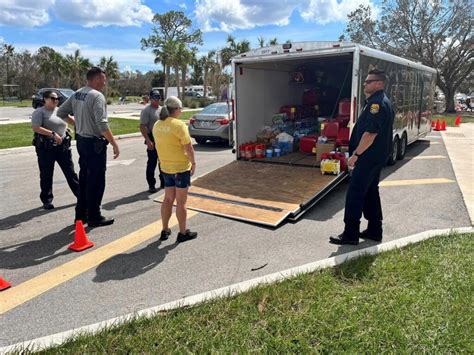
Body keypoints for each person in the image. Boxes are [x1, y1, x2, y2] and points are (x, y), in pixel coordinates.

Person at [330, 69, 394, 245]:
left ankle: (350, 234)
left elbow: (370, 135)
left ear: (379, 84)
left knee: (355, 194)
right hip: (375, 158)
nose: (365, 84)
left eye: (368, 81)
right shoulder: (378, 102)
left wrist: (355, 155)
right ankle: (375, 230)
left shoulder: (377, 105)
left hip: (367, 158)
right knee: (371, 192)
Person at [57, 67, 120, 227]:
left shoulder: (77, 93)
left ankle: (80, 215)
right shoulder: (97, 96)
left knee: (84, 178)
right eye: (104, 79)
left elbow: (61, 113)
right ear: (97, 79)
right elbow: (102, 124)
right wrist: (114, 143)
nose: (105, 83)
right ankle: (94, 216)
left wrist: (78, 123)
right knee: (97, 180)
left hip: (82, 141)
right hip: (94, 144)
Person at [152, 96, 198, 243]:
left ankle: (165, 229)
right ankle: (183, 232)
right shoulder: (178, 125)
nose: (181, 111)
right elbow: (189, 148)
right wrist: (194, 163)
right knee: (181, 202)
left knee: (167, 199)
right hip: (180, 169)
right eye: (181, 108)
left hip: (165, 168)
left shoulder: (157, 124)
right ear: (176, 109)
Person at [31, 90, 79, 210]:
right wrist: (53, 134)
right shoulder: (39, 112)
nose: (56, 101)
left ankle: (81, 195)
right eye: (53, 98)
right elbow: (36, 127)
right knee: (46, 174)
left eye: (57, 99)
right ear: (45, 99)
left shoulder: (60, 111)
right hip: (46, 148)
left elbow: (70, 122)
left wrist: (67, 129)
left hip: (62, 147)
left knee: (70, 172)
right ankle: (47, 200)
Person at [139, 90, 165, 193]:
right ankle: (151, 185)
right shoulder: (146, 110)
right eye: (154, 97)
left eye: (158, 97)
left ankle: (163, 182)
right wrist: (148, 140)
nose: (157, 99)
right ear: (150, 98)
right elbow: (142, 126)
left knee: (163, 162)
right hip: (152, 139)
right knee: (152, 163)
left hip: (162, 140)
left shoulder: (162, 110)